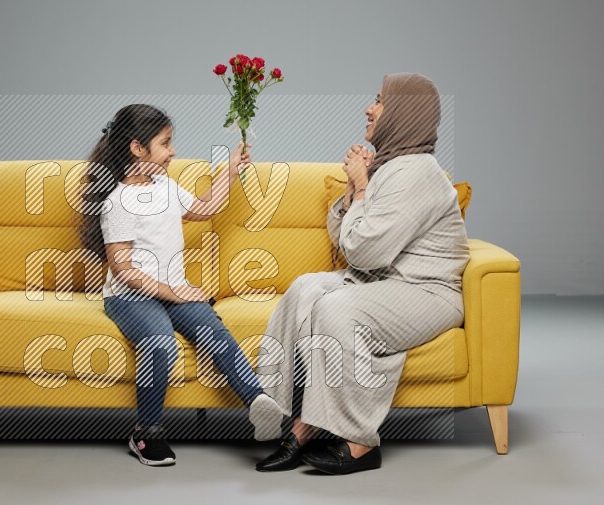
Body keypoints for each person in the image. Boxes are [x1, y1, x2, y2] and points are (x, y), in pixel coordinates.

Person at [250, 73, 471, 474]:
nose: (369, 109)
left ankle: (359, 442)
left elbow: (365, 251)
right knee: (304, 289)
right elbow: (345, 240)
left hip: (426, 291)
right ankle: (282, 412)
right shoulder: (392, 166)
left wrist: (361, 184)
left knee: (339, 310)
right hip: (386, 281)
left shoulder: (417, 173)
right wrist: (356, 192)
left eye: (379, 101)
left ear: (404, 113)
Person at [80, 104, 284, 467]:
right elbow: (122, 268)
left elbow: (205, 208)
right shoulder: (119, 201)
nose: (173, 151)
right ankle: (147, 432)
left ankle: (256, 402)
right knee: (159, 342)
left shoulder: (165, 185)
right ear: (137, 148)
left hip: (174, 289)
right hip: (130, 296)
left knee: (213, 331)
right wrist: (174, 292)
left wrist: (231, 171)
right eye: (165, 143)